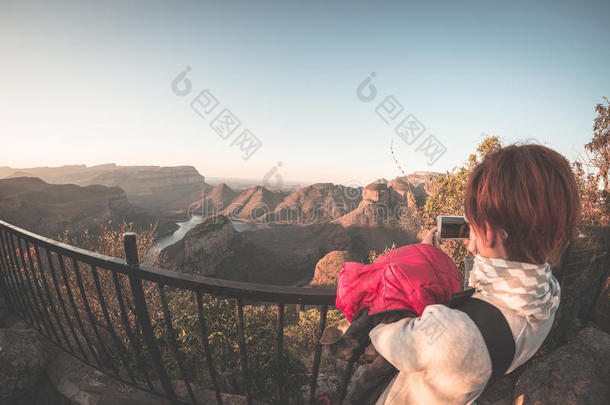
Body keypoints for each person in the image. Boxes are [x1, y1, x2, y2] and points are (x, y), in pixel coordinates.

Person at [368, 144, 580, 404]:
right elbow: (487, 299)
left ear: (489, 232)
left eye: (473, 221)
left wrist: (423, 262)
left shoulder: (454, 335)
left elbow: (385, 334)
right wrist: (471, 247)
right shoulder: (545, 296)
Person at [326, 243, 463, 404]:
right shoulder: (381, 279)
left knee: (378, 371)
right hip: (433, 272)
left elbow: (425, 314)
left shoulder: (383, 301)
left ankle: (354, 385)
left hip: (410, 300)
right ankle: (350, 355)